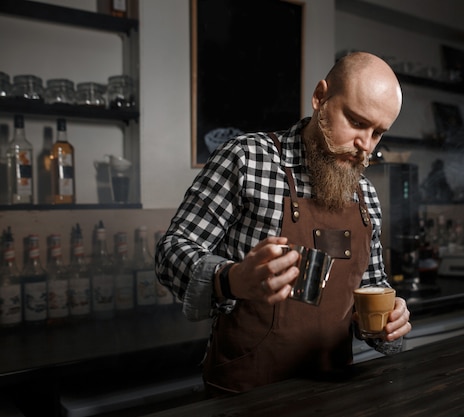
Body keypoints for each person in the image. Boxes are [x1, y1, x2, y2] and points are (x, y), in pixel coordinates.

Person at [155, 51, 412, 394]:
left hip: (334, 395)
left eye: (378, 133)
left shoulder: (365, 194)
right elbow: (170, 251)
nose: (364, 146)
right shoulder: (247, 158)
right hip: (247, 396)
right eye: (356, 121)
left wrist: (389, 325)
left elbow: (372, 297)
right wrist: (231, 278)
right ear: (320, 97)